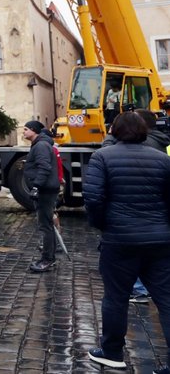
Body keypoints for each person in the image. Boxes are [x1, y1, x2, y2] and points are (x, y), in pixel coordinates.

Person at [83, 112, 170, 372]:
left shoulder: (102, 157)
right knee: (166, 300)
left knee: (116, 297)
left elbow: (94, 199)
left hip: (119, 240)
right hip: (160, 241)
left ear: (114, 130)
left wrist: (103, 226)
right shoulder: (163, 160)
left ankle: (111, 352)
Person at [22, 120, 60, 273]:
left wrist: (36, 186)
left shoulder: (41, 146)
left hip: (45, 190)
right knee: (47, 225)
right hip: (46, 189)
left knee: (45, 226)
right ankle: (49, 257)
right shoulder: (40, 145)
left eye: (25, 129)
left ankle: (47, 259)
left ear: (33, 130)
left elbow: (44, 167)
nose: (23, 132)